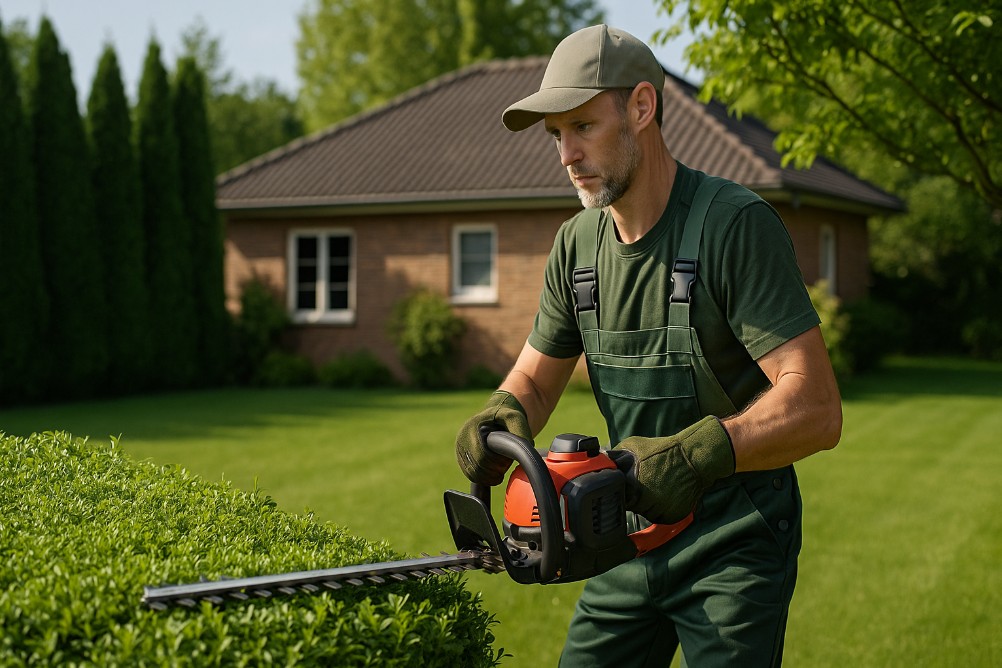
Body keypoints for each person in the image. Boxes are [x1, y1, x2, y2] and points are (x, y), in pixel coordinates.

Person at [454, 24, 843, 667]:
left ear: (640, 107)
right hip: (625, 539)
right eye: (557, 135)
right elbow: (534, 379)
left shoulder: (733, 226)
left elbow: (816, 408)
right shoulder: (577, 246)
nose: (566, 155)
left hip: (733, 542)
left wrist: (695, 455)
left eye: (582, 126)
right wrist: (502, 415)